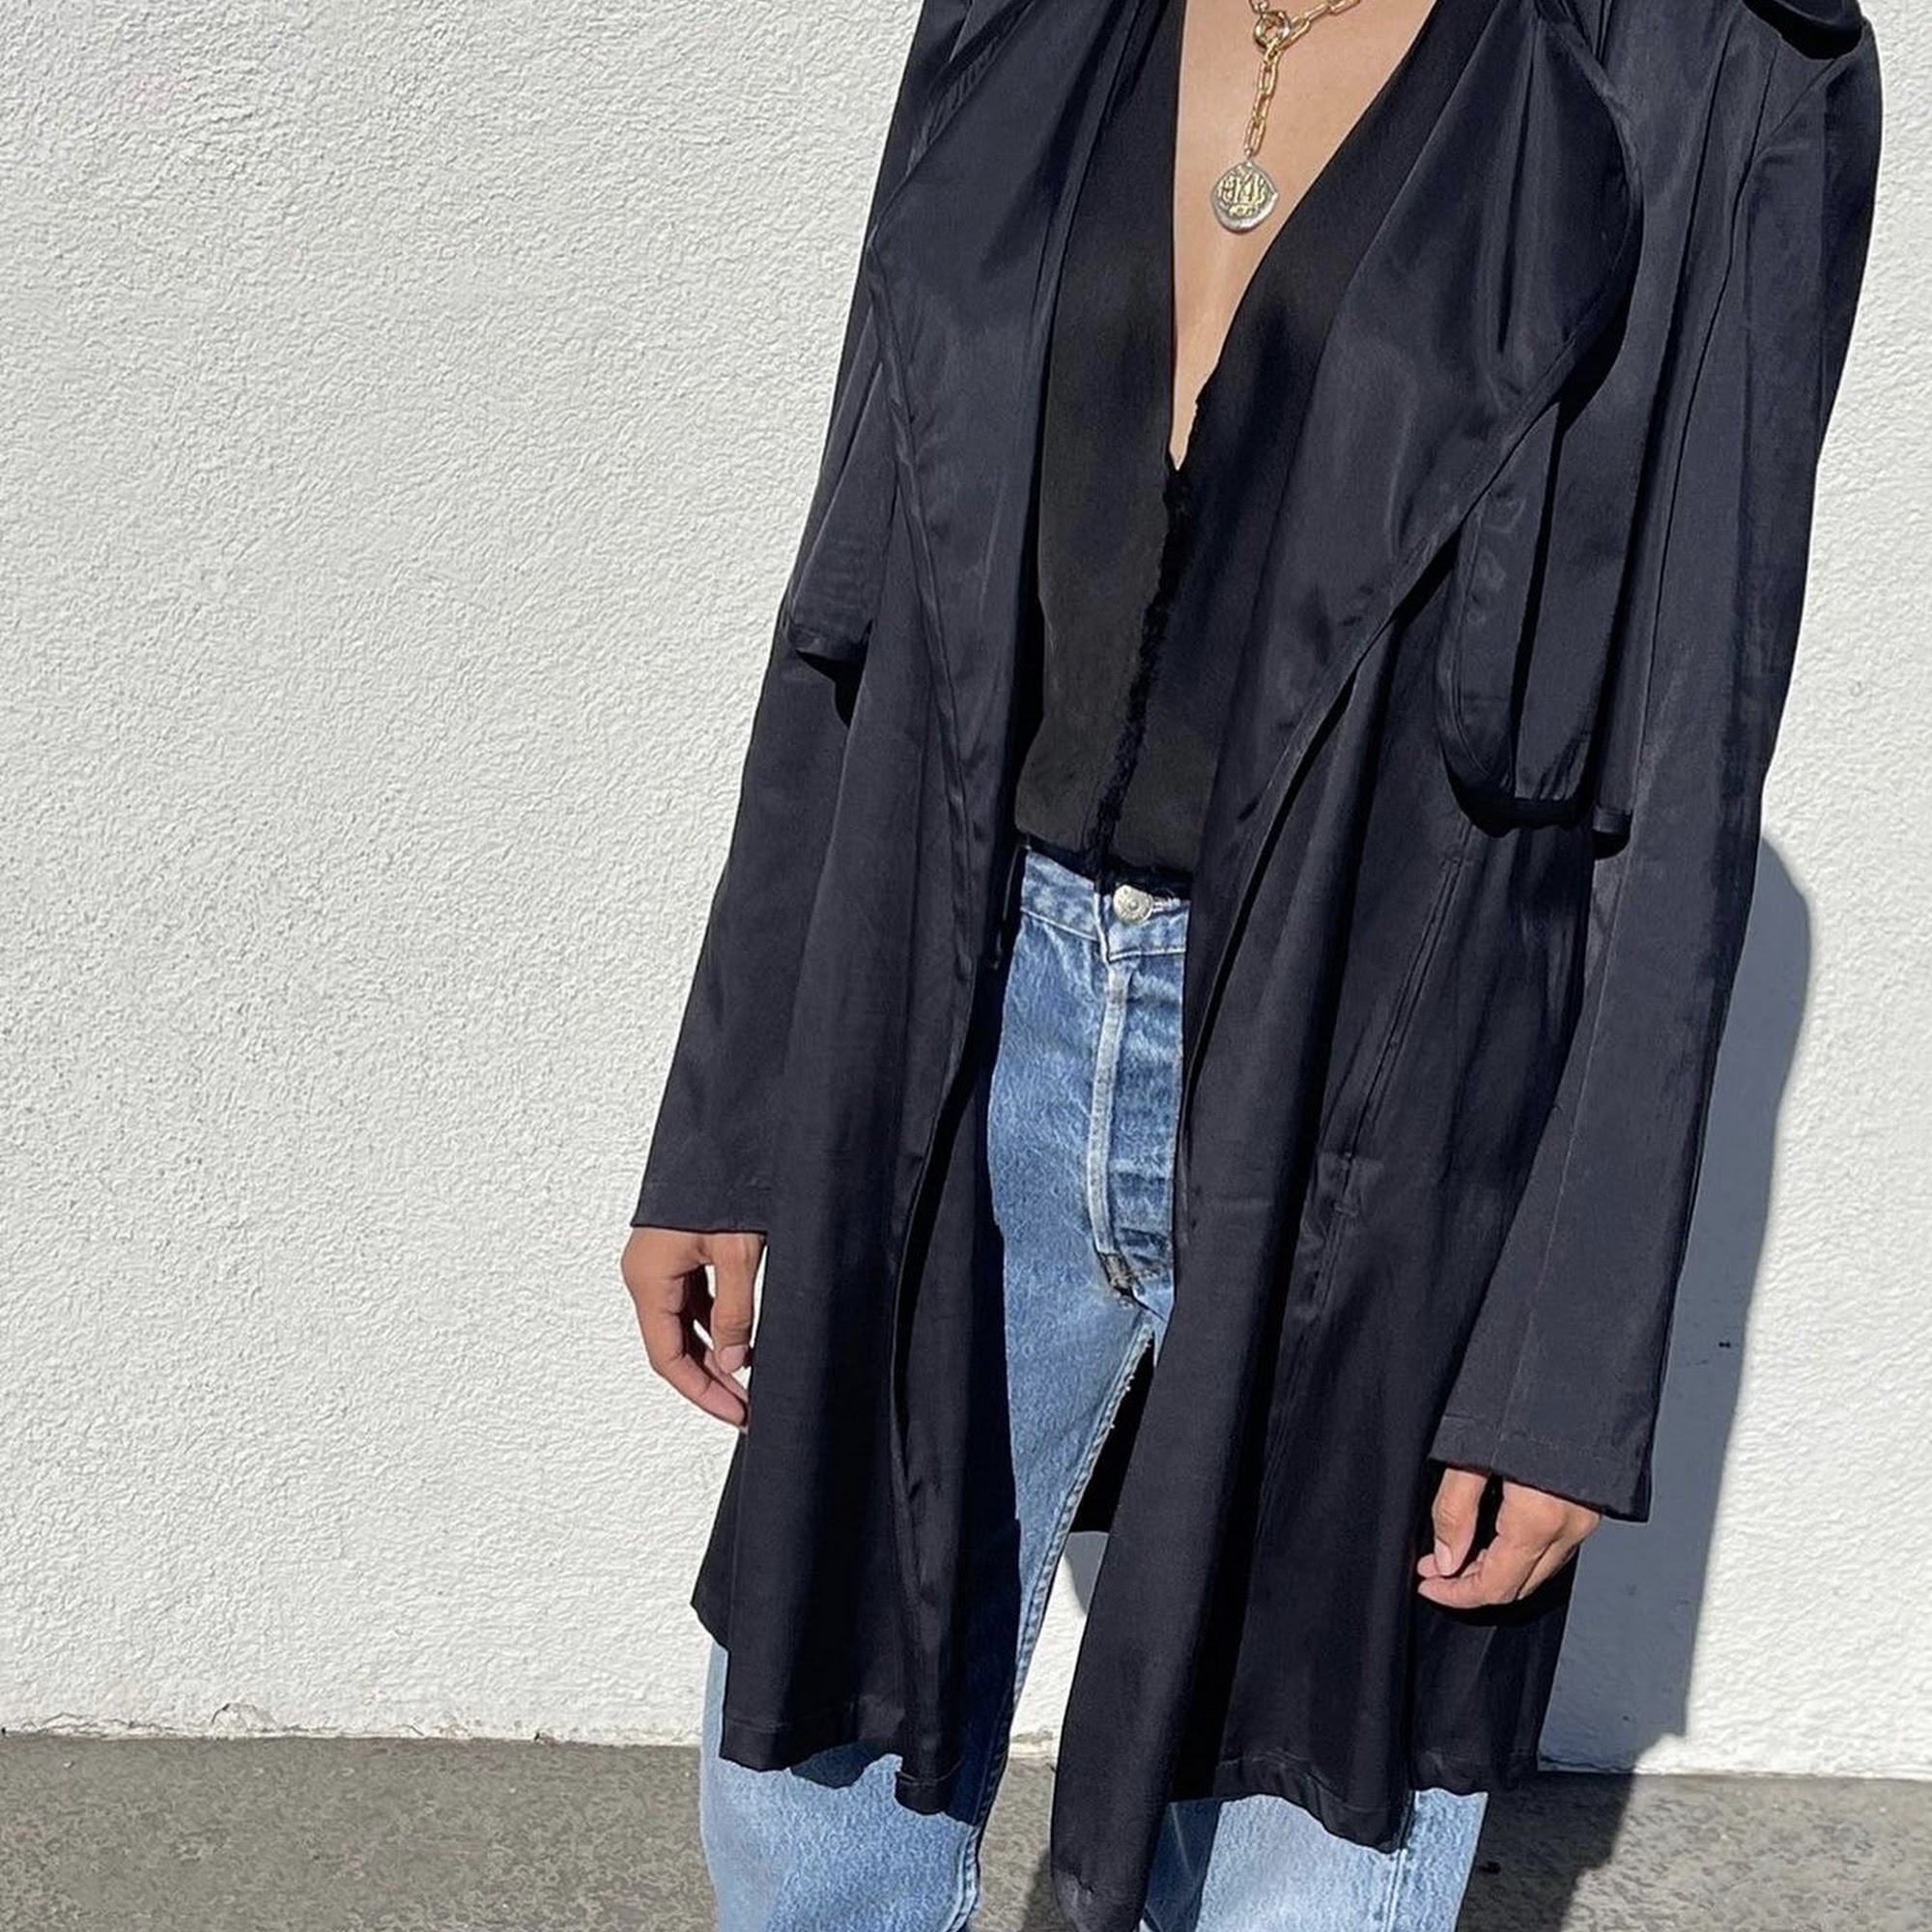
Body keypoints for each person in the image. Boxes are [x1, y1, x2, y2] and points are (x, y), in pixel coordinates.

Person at [619, 0, 1883, 1925]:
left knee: (1296, 1851)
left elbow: (1689, 748)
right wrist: (731, 1114)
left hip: (1383, 1080)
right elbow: (853, 594)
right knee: (810, 1803)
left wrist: (1565, 1357)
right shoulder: (1025, 27)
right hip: (966, 1012)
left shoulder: (1714, 64)